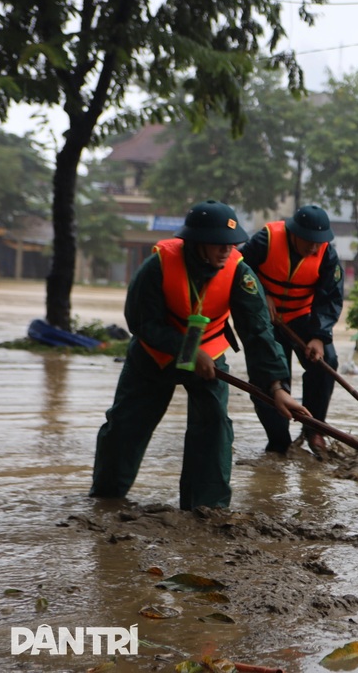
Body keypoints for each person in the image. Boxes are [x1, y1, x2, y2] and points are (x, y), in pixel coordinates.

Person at [90, 200, 308, 510]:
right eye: (218, 244)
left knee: (215, 427)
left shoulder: (239, 272)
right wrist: (186, 350)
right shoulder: (158, 266)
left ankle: (206, 507)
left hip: (210, 353)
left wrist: (277, 388)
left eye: (231, 244)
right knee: (125, 426)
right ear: (195, 242)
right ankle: (106, 498)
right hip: (154, 356)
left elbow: (258, 333)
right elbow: (140, 322)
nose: (226, 251)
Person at [240, 204, 345, 455]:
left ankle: (314, 428)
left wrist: (319, 337)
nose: (313, 247)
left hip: (302, 317)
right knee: (270, 374)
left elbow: (330, 297)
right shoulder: (266, 240)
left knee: (326, 361)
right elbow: (239, 267)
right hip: (266, 319)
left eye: (318, 242)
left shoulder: (326, 254)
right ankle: (279, 440)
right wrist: (260, 294)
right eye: (309, 240)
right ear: (294, 234)